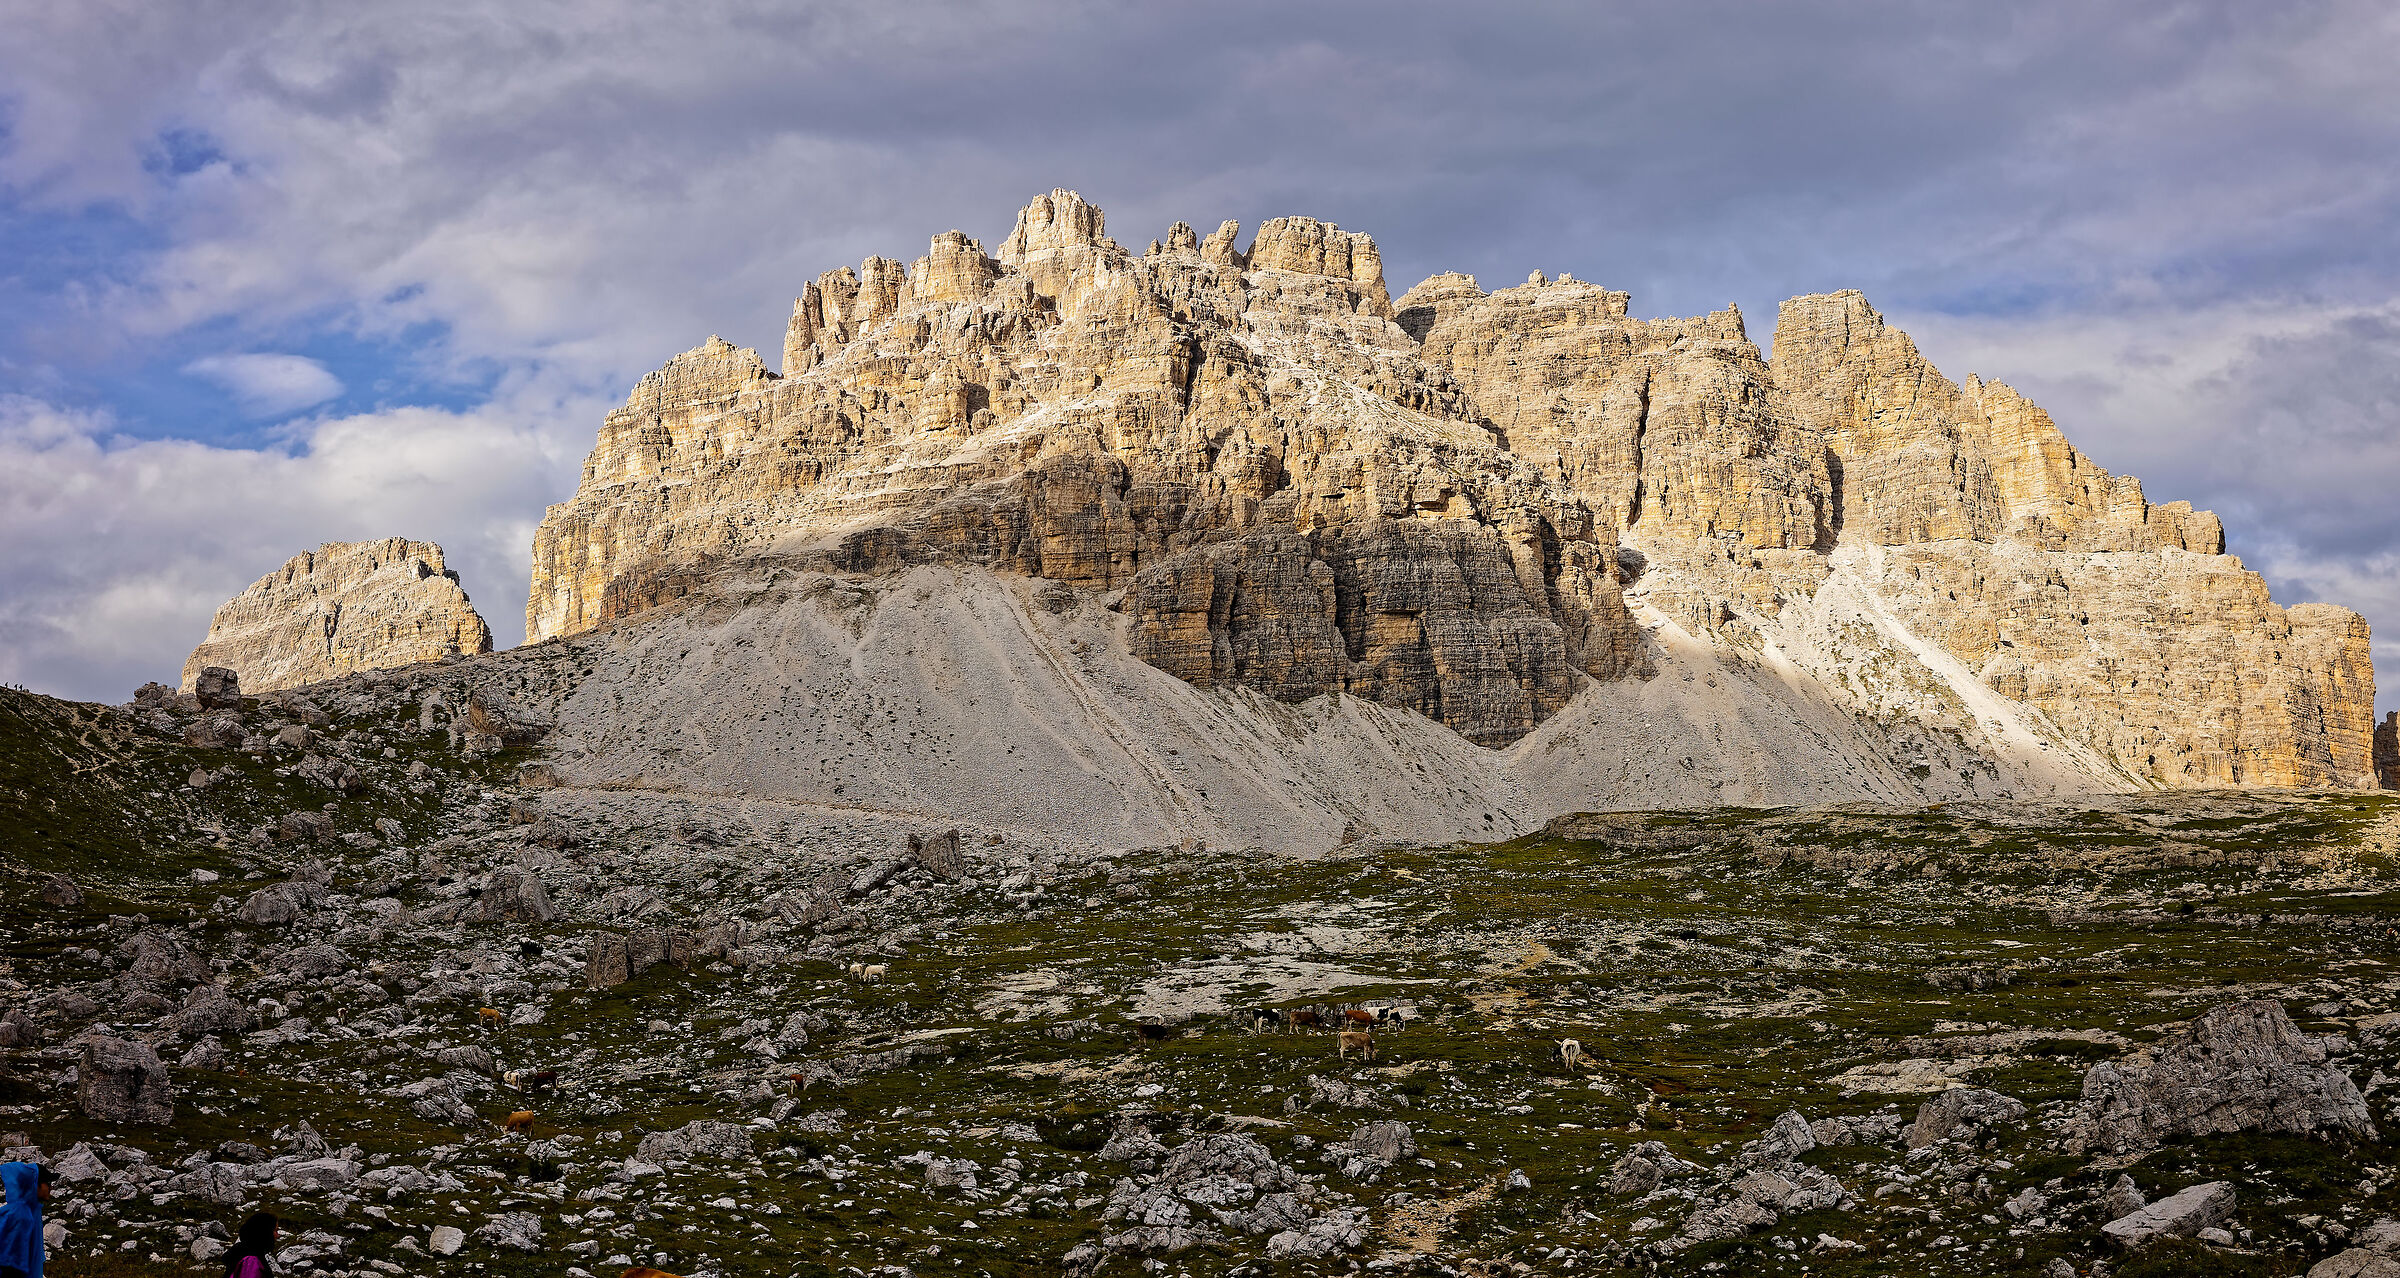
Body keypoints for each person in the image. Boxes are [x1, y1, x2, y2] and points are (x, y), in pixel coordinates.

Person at [0, 1161, 52, 1278]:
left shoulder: (34, 1209)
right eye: (47, 1183)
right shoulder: (20, 1214)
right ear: (35, 1185)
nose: (50, 1187)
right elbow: (11, 1264)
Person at [219, 1211, 279, 1278]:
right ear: (265, 1232)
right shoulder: (251, 1261)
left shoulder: (246, 1252)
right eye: (275, 1230)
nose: (277, 1235)